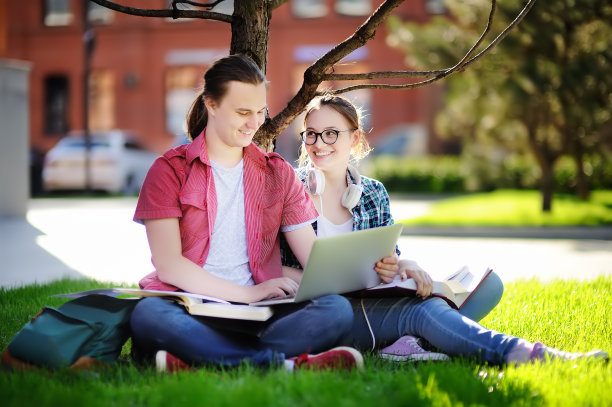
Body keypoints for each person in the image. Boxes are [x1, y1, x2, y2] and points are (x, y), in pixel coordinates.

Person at [281, 94, 608, 365]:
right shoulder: (291, 188)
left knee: (486, 287)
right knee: (427, 310)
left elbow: (385, 257)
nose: (318, 143)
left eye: (331, 133)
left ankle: (409, 346)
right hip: (326, 313)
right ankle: (528, 355)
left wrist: (404, 266)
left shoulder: (372, 192)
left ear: (354, 138)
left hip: (372, 302)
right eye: (311, 133)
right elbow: (269, 266)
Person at [129, 55, 363, 373]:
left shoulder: (277, 173)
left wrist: (383, 265)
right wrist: (247, 294)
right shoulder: (168, 170)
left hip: (263, 315)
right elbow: (169, 266)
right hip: (190, 307)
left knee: (335, 310)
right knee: (149, 315)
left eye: (259, 112)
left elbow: (314, 261)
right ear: (212, 105)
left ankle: (202, 360)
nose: (254, 124)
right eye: (242, 112)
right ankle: (278, 364)